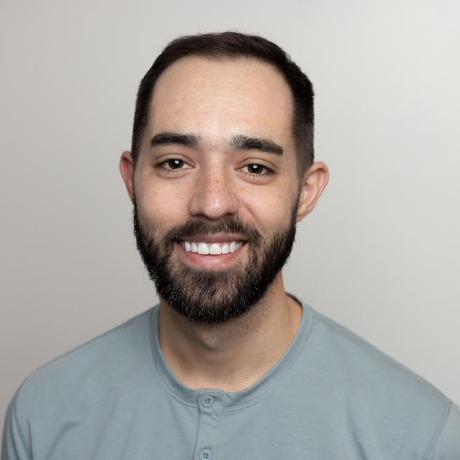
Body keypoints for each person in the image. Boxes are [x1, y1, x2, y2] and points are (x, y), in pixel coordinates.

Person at [2, 31, 459, 460]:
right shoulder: (42, 417)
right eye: (175, 163)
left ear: (305, 192)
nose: (212, 203)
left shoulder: (421, 437)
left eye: (255, 168)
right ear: (132, 179)